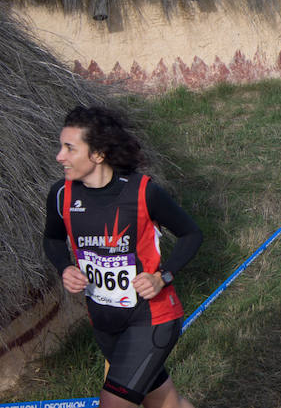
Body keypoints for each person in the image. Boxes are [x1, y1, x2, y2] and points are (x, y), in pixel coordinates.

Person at [43, 106, 202, 407]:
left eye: (69, 148)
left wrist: (162, 276)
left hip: (151, 317)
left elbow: (191, 234)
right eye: (60, 146)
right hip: (104, 321)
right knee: (166, 403)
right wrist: (64, 267)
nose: (59, 156)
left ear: (98, 154)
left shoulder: (143, 192)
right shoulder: (61, 195)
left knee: (113, 403)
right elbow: (51, 238)